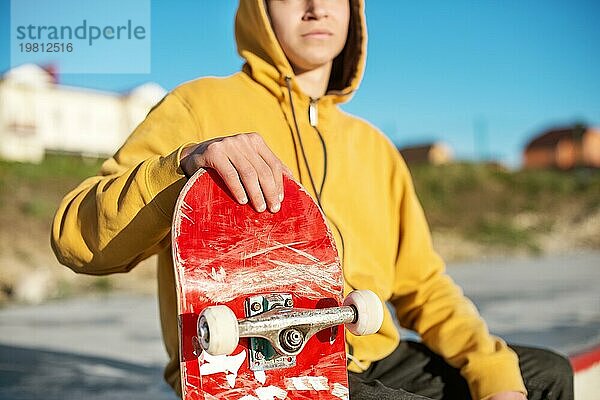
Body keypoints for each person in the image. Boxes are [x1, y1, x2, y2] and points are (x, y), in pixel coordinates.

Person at [51, 1, 573, 399]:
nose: (316, 6)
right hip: (250, 366)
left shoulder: (375, 148)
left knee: (546, 374)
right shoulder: (198, 106)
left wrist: (494, 372)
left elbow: (424, 286)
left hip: (369, 355)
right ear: (258, 9)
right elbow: (77, 240)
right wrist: (183, 164)